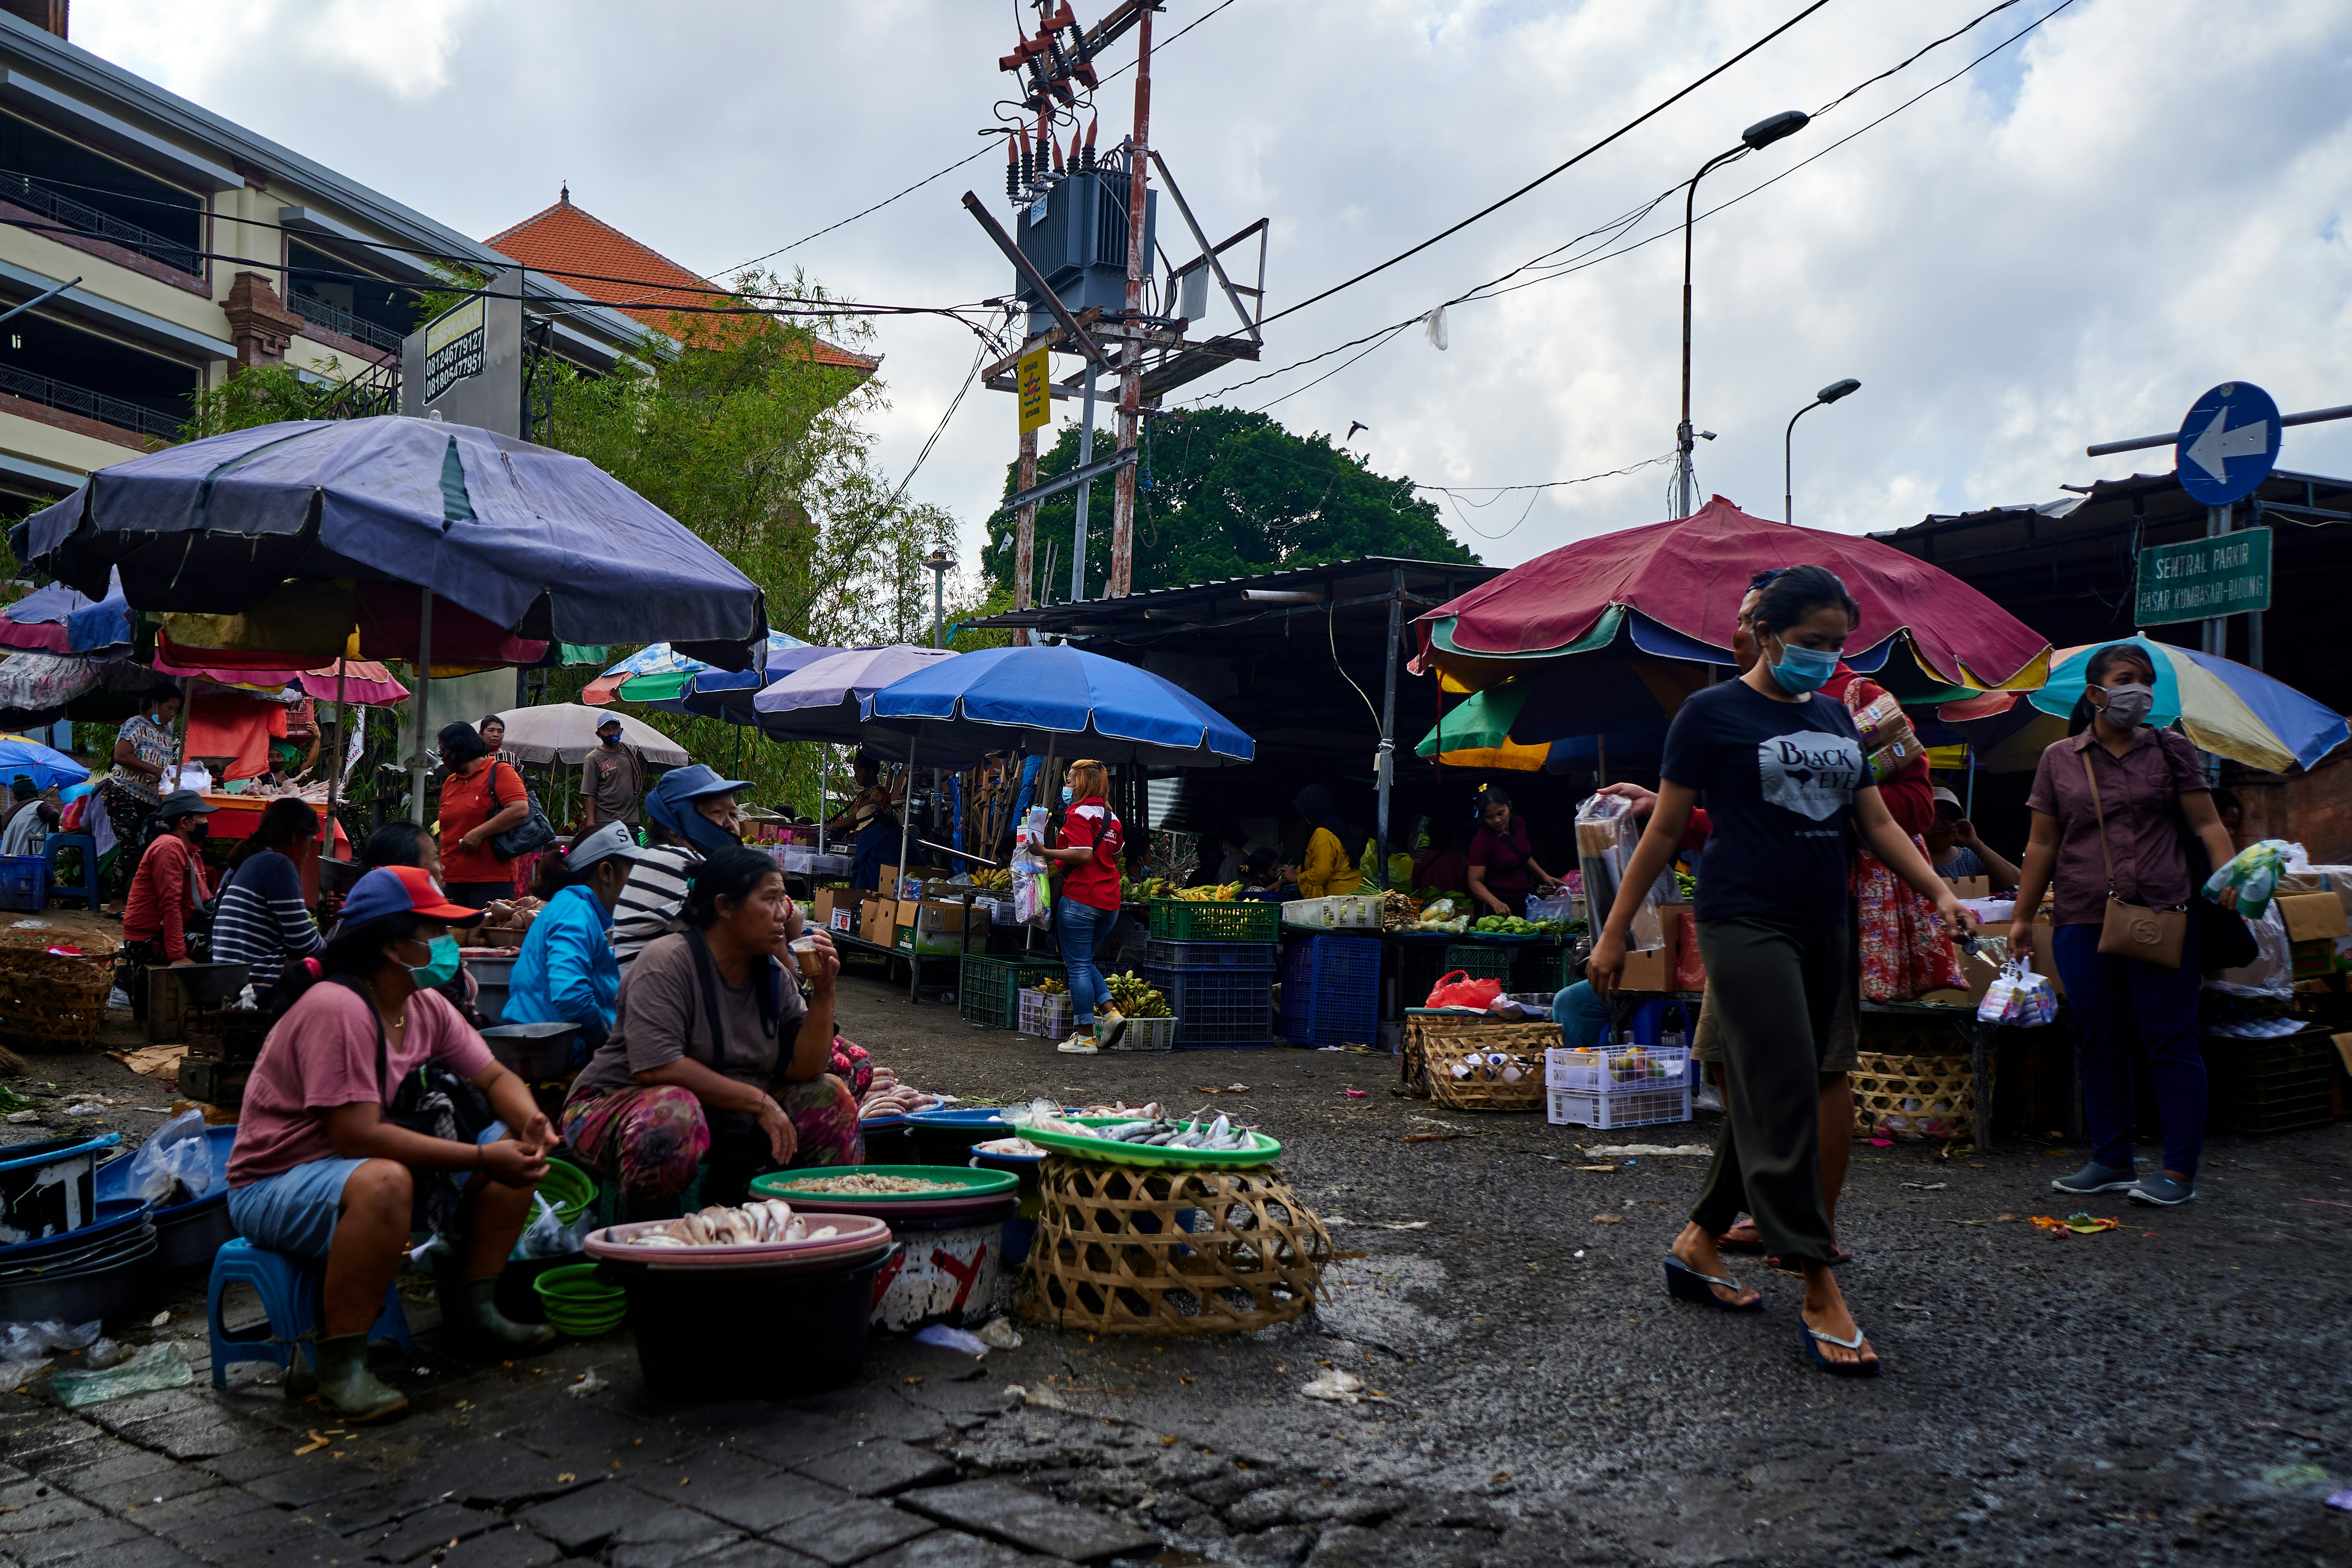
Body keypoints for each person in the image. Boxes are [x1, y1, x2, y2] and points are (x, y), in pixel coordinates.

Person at [1590, 565, 1977, 1377]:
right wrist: (1615, 933)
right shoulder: (1709, 713)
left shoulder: (1838, 714)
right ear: (1765, 633)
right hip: (1743, 919)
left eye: (1836, 643)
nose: (1824, 657)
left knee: (1772, 1083)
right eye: (1809, 643)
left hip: (1822, 921)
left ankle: (1697, 1242)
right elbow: (1661, 834)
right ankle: (1817, 1282)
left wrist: (1939, 889)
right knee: (1787, 1086)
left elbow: (1873, 820)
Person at [226, 866, 557, 1420]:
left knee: (511, 1154)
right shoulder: (339, 1008)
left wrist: (530, 1125)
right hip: (273, 1182)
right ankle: (341, 1369)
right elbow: (356, 1136)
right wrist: (479, 1156)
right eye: (435, 932)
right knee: (387, 1181)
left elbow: (495, 1078)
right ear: (393, 946)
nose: (449, 945)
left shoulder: (424, 1007)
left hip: (352, 1166)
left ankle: (476, 1311)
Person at [2008, 642, 2238, 1209]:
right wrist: (2020, 915)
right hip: (2082, 916)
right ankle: (2112, 1160)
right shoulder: (2060, 758)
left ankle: (2179, 1172)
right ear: (2096, 693)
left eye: (2147, 681)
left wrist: (2231, 874)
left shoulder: (2172, 748)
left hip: (2164, 911)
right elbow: (2042, 842)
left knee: (2171, 1041)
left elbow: (2207, 823)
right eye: (2127, 679)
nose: (2141, 691)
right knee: (2098, 1039)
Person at [562, 847, 860, 1219]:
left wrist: (825, 991)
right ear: (725, 906)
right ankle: (646, 1253)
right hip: (614, 1105)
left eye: (783, 902)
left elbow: (807, 1067)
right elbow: (656, 1068)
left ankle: (820, 1238)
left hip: (723, 1115)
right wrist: (759, 1102)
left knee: (829, 1096)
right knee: (673, 1114)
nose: (784, 915)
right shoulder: (667, 962)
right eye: (770, 900)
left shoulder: (772, 975)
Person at [501, 823, 645, 1054]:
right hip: (556, 1054)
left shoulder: (574, 908)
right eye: (633, 872)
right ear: (606, 873)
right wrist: (606, 1046)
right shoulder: (575, 911)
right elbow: (571, 995)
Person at [613, 765, 758, 969]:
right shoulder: (674, 861)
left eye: (734, 815)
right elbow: (755, 929)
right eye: (717, 812)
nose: (731, 825)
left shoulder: (693, 861)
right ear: (675, 827)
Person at [1033, 759, 1126, 1054]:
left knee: (1076, 965)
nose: (1067, 786)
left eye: (1071, 781)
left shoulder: (1078, 814)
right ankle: (1111, 1014)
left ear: (1084, 783)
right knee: (1084, 961)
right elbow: (1116, 851)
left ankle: (1085, 1036)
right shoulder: (1112, 818)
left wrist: (1045, 851)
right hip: (1109, 901)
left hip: (1081, 899)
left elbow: (1084, 854)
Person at [210, 798, 325, 998]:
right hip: (257, 986)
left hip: (229, 980)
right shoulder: (278, 865)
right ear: (297, 837)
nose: (309, 852)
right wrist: (332, 948)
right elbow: (303, 945)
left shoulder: (246, 861)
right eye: (311, 841)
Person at [435, 722, 528, 909]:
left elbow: (519, 809)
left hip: (491, 879)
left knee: (484, 935)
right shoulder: (450, 783)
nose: (443, 758)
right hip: (452, 880)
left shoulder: (500, 771)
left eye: (443, 751)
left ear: (457, 748)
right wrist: (438, 869)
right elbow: (445, 829)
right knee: (457, 935)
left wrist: (478, 833)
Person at [122, 789, 218, 971]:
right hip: (147, 939)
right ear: (185, 823)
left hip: (171, 933)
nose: (206, 823)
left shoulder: (189, 850)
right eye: (202, 818)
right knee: (226, 947)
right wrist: (178, 956)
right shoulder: (169, 847)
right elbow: (170, 904)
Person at [101, 690, 180, 896]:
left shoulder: (167, 734)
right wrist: (156, 770)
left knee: (148, 848)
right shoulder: (136, 724)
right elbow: (121, 755)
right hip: (123, 792)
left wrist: (163, 777)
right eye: (169, 708)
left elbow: (160, 769)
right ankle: (117, 900)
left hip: (150, 799)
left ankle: (137, 900)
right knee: (131, 846)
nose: (173, 714)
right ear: (154, 703)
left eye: (176, 710)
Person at [1465, 783, 1563, 917]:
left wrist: (1545, 877)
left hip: (1523, 899)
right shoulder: (1482, 840)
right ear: (1483, 818)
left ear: (1509, 806)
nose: (1497, 820)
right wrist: (1496, 903)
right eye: (1490, 817)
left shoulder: (1518, 824)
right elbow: (1475, 882)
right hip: (1496, 907)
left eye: (1501, 813)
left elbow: (1525, 856)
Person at [1925, 786, 2018, 892]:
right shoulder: (1909, 859)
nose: (1937, 825)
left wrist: (1975, 844)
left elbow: (2017, 883)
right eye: (1930, 817)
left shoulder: (1969, 859)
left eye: (1945, 817)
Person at [829, 755, 901, 893]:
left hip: (875, 845)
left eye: (858, 772)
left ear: (870, 771)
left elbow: (858, 817)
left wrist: (833, 826)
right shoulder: (863, 794)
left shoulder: (879, 792)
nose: (856, 776)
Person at [1289, 784, 1365, 898]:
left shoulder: (1323, 833)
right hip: (1352, 892)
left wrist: (1296, 878)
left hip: (1341, 898)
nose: (1304, 817)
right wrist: (1292, 874)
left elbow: (1321, 873)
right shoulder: (1337, 826)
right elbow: (1317, 860)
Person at [582, 715, 645, 828]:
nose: (612, 733)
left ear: (621, 730)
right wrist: (591, 823)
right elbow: (589, 793)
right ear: (599, 734)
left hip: (630, 821)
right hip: (606, 822)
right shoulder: (593, 758)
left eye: (615, 728)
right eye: (606, 730)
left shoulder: (630, 751)